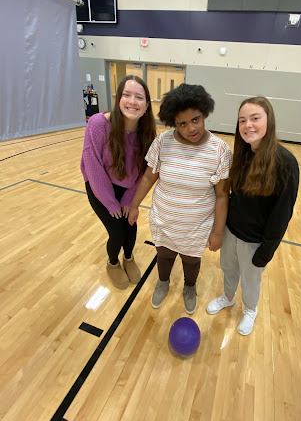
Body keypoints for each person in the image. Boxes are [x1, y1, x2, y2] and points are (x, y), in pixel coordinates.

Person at [128, 83, 232, 314]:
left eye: (195, 120)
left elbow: (222, 195)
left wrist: (217, 232)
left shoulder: (220, 150)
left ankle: (189, 287)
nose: (190, 128)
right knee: (164, 254)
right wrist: (134, 205)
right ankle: (163, 282)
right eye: (182, 124)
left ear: (204, 114)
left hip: (196, 226)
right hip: (164, 219)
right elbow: (147, 177)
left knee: (191, 260)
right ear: (174, 123)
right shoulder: (162, 143)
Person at [206, 96, 299, 336]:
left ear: (269, 121)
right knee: (228, 268)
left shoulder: (286, 163)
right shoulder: (242, 155)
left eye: (255, 118)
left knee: (250, 280)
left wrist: (266, 251)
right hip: (231, 232)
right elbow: (230, 196)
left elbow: (282, 214)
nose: (248, 125)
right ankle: (227, 297)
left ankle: (250, 309)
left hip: (255, 241)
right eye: (242, 120)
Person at [81, 75, 156, 289]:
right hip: (100, 187)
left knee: (131, 227)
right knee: (117, 231)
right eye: (127, 95)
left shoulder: (147, 133)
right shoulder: (98, 124)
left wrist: (130, 199)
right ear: (118, 98)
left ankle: (129, 257)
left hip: (127, 189)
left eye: (139, 97)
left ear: (146, 105)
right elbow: (93, 168)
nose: (132, 101)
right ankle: (113, 263)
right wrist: (111, 202)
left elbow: (143, 172)